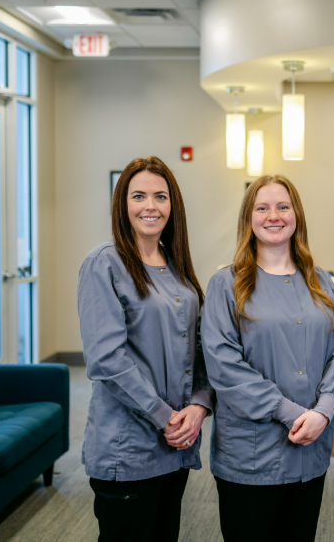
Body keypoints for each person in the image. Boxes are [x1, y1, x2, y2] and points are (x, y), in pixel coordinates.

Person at [201, 175, 334, 542]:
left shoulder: (320, 281)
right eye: (263, 207)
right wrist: (293, 413)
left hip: (311, 449)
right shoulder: (227, 283)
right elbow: (224, 367)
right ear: (248, 218)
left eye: (283, 206)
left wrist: (324, 409)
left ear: (296, 215)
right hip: (251, 456)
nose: (274, 215)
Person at [78, 156, 211, 542]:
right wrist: (165, 417)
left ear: (173, 205)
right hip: (129, 445)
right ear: (123, 203)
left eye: (160, 196)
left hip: (176, 443)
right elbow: (106, 360)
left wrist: (199, 406)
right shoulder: (104, 263)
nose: (150, 206)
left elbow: (198, 346)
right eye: (138, 196)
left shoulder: (177, 265)